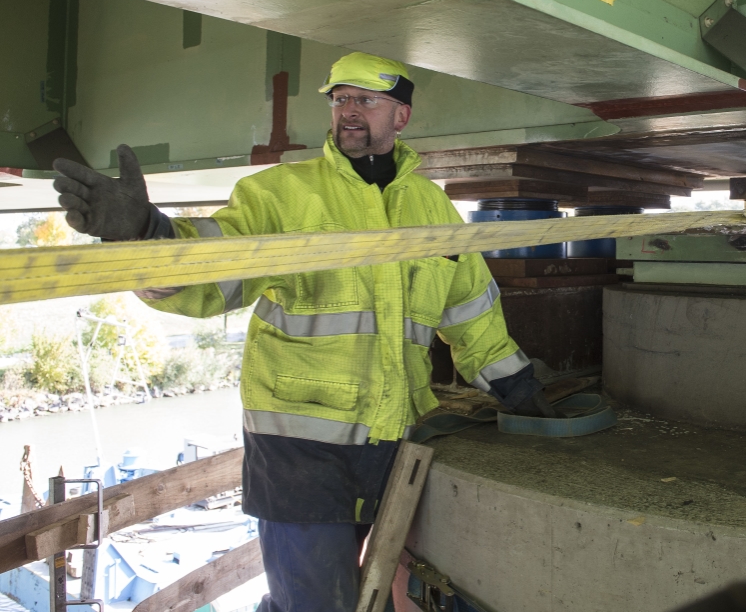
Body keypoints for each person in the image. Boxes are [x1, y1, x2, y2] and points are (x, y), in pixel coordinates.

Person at [51, 52, 556, 612]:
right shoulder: (282, 195)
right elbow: (214, 278)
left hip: (394, 444)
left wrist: (515, 384)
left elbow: (471, 312)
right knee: (315, 606)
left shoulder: (432, 208)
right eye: (340, 100)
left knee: (382, 597)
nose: (349, 112)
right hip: (298, 455)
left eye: (366, 100)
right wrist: (148, 235)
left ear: (402, 117)